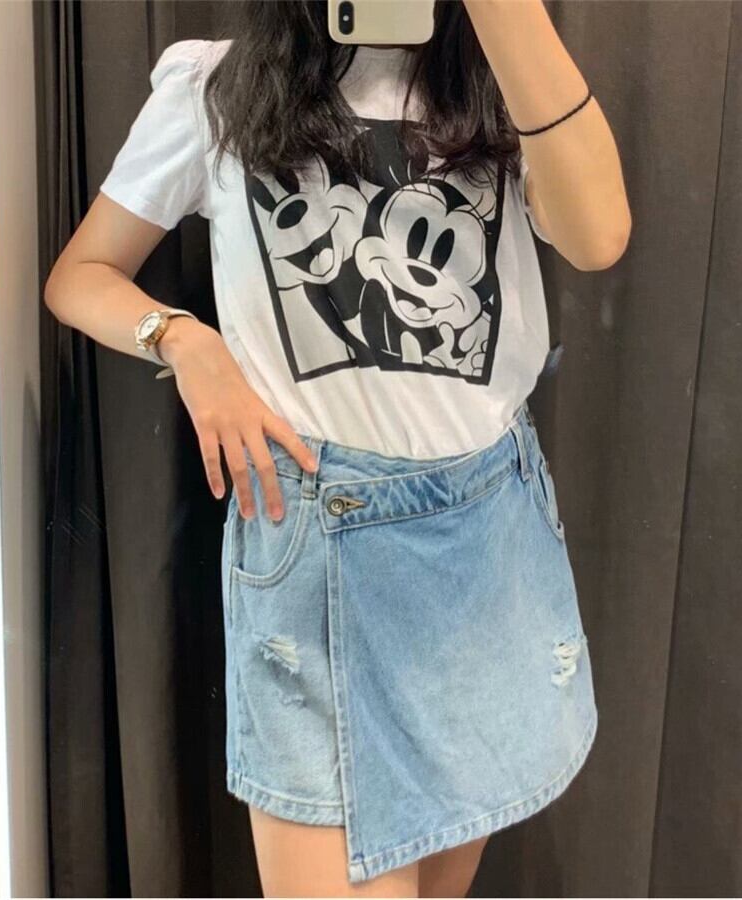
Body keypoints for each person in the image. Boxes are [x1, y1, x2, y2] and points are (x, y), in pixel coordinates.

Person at [43, 0, 631, 896]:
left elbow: (597, 238)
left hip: (484, 541)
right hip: (315, 544)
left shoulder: (506, 88)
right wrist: (183, 340)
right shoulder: (215, 89)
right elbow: (80, 275)